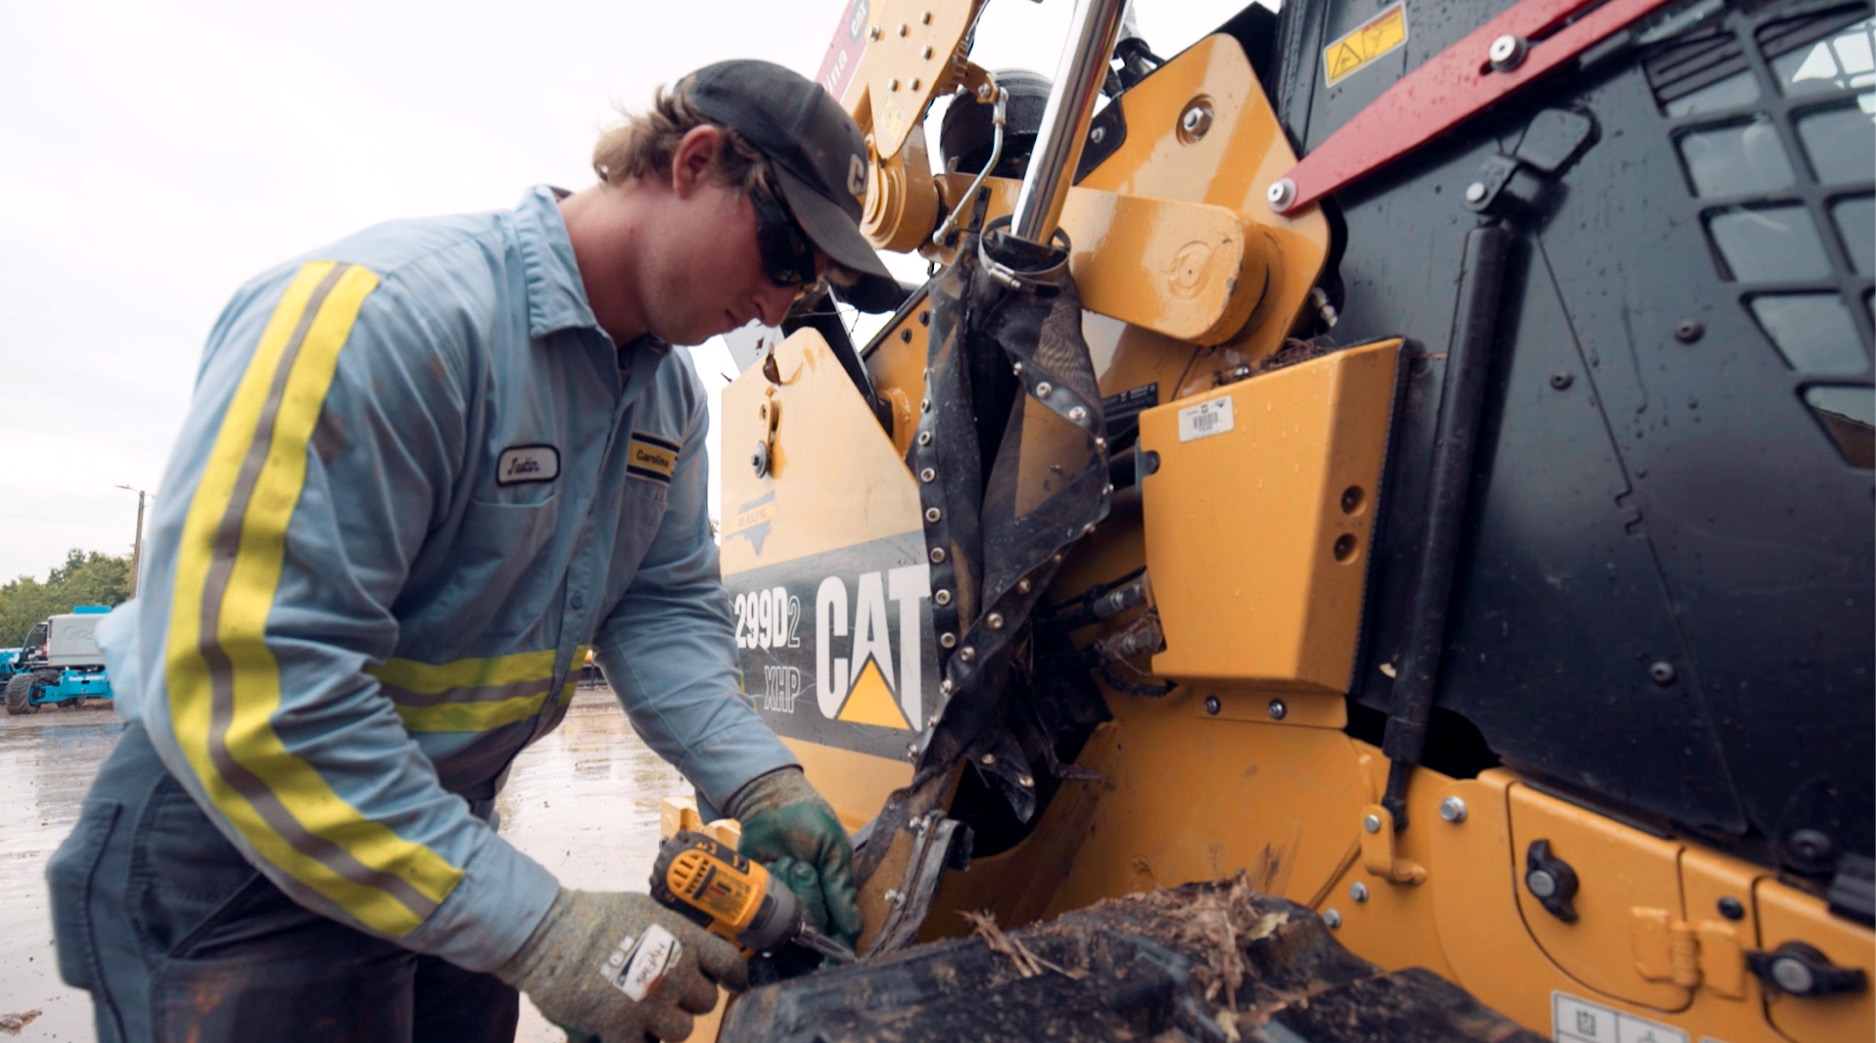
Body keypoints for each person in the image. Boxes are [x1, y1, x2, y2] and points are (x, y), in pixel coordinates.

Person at [48, 59, 903, 1043]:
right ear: (695, 160)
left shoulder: (663, 402)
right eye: (790, 255)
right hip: (236, 850)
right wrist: (541, 927)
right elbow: (255, 684)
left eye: (812, 283)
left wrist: (760, 781)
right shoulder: (384, 319)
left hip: (429, 835)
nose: (779, 302)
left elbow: (660, 608)